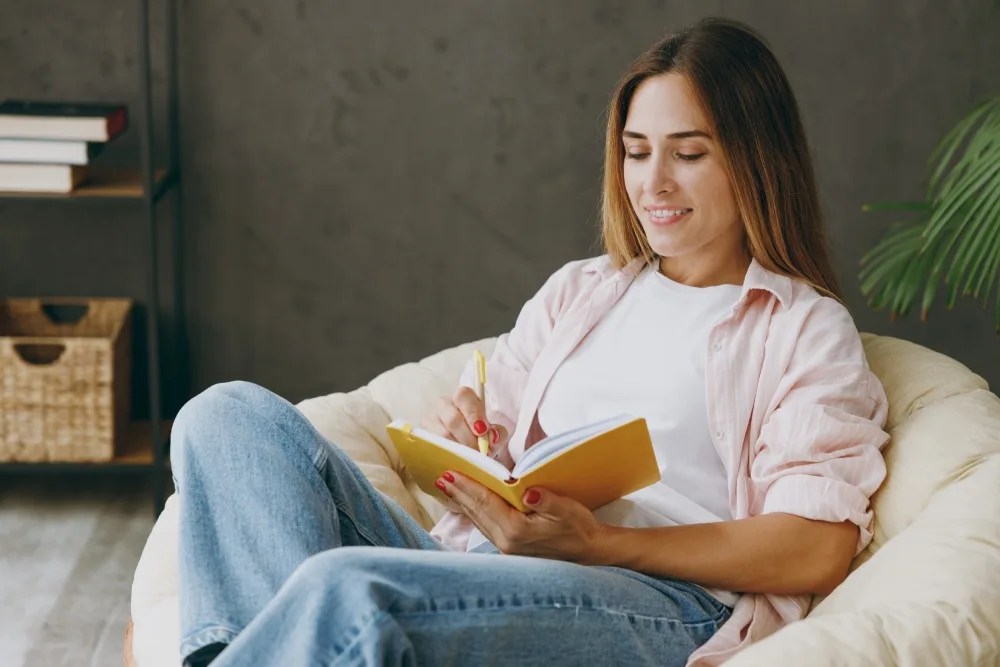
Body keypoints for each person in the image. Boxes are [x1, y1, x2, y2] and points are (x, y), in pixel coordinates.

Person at [173, 17, 890, 667]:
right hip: (488, 567)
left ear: (756, 159)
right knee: (227, 416)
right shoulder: (582, 290)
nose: (653, 183)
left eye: (689, 153)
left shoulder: (801, 327)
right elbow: (497, 446)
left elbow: (815, 545)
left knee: (348, 588)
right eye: (636, 152)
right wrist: (468, 446)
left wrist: (600, 543)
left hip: (661, 600)